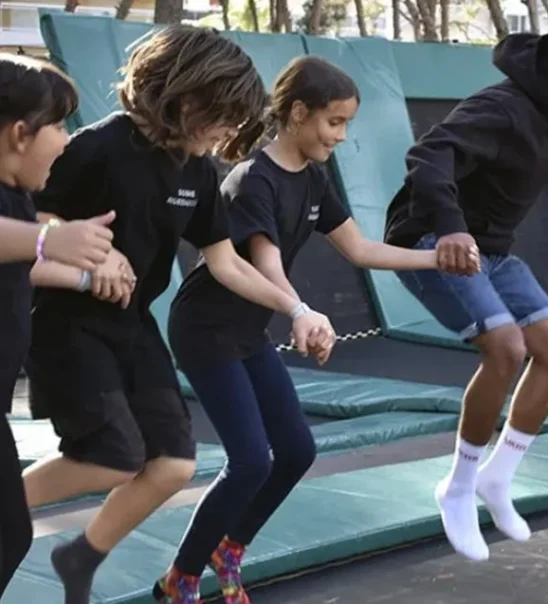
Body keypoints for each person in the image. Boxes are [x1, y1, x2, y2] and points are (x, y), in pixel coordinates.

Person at [21, 27, 335, 604]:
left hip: (133, 326)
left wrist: (297, 308)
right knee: (112, 459)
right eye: (223, 118)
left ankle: (79, 554)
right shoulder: (95, 150)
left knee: (171, 465)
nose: (229, 134)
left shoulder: (194, 172)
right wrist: (88, 261)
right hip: (69, 327)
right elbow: (26, 244)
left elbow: (228, 264)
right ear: (187, 100)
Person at [154, 56, 452, 604]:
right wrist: (301, 311)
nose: (340, 136)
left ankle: (230, 549)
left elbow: (360, 249)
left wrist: (438, 260)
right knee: (249, 463)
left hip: (246, 332)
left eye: (345, 124)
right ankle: (182, 578)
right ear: (296, 114)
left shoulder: (313, 179)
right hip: (205, 329)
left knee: (296, 452)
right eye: (333, 122)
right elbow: (265, 264)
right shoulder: (252, 179)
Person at [383, 4, 548, 562]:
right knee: (505, 348)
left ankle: (498, 477)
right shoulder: (502, 107)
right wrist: (450, 228)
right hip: (433, 243)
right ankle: (455, 488)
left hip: (493, 252)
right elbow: (428, 156)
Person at [0, 53, 125, 599]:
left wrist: (81, 273)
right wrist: (52, 239)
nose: (66, 139)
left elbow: (17, 258)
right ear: (21, 133)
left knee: (10, 534)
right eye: (57, 124)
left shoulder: (18, 197)